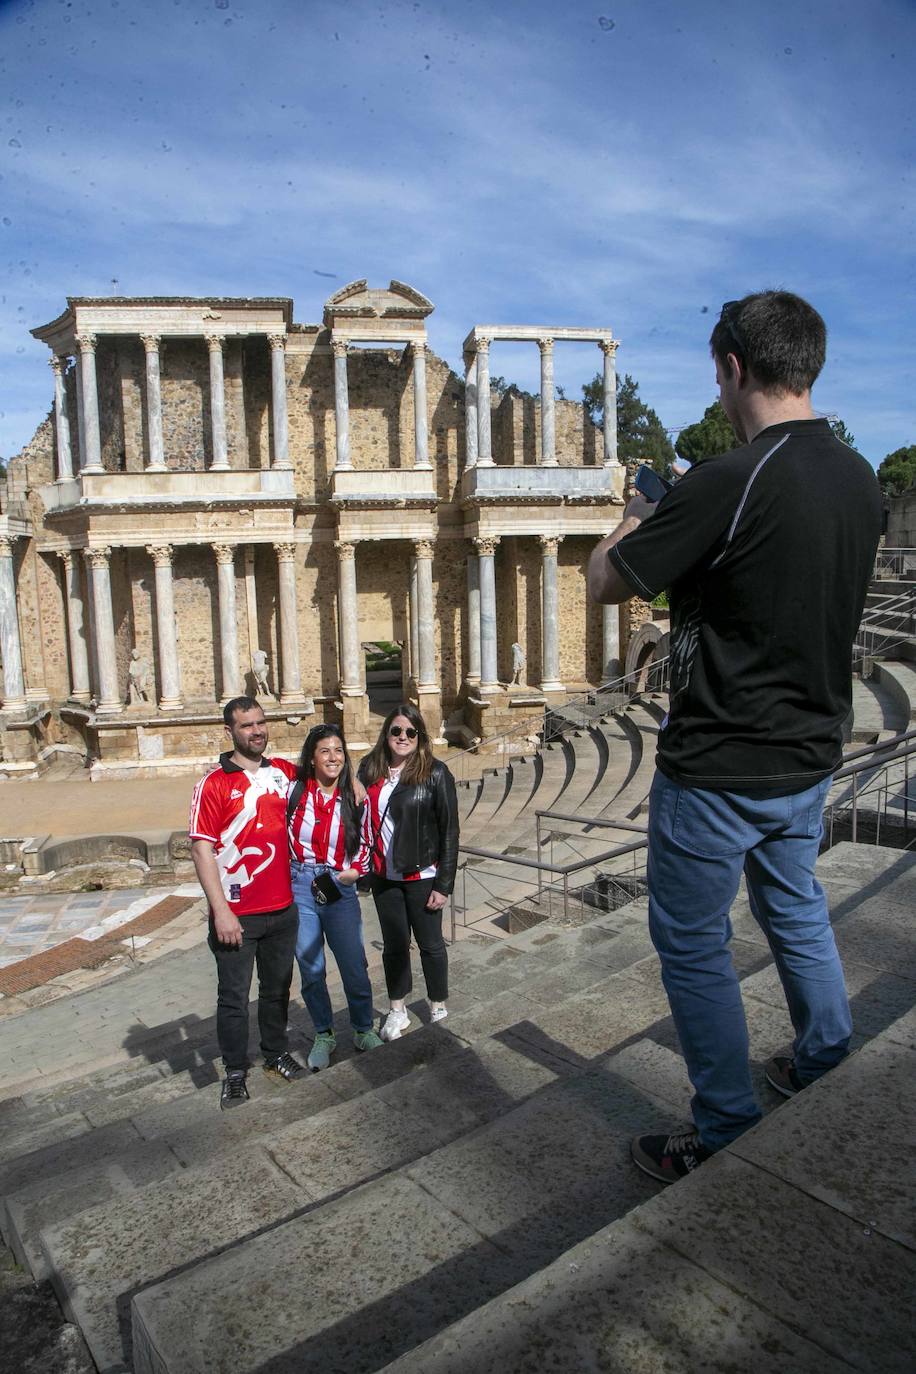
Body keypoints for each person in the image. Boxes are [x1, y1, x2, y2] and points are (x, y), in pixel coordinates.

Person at [587, 290, 882, 1183]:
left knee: (693, 943)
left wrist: (642, 511)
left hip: (719, 763)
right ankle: (825, 1058)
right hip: (809, 754)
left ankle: (722, 1126)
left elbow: (609, 579)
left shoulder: (730, 477)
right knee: (793, 908)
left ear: (732, 367)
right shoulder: (861, 480)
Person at [189, 695, 304, 1109]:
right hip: (237, 915)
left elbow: (333, 780)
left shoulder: (285, 773)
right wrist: (221, 911)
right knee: (233, 998)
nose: (256, 731)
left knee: (276, 990)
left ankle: (275, 1053)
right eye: (246, 726)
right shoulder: (214, 783)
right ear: (230, 732)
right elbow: (202, 849)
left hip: (282, 908)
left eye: (260, 723)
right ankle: (236, 1071)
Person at [359, 703, 459, 1039]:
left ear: (420, 737)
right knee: (394, 946)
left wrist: (443, 884)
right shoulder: (368, 770)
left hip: (422, 876)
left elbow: (449, 831)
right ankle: (397, 1010)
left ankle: (437, 1005)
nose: (403, 737)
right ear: (386, 734)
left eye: (410, 732)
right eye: (396, 731)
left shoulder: (435, 773)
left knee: (430, 945)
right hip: (384, 877)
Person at [288, 724, 384, 1069]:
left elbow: (368, 840)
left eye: (339, 750)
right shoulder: (294, 790)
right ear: (312, 758)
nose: (333, 757)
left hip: (339, 885)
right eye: (325, 751)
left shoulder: (355, 797)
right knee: (311, 968)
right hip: (301, 883)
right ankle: (324, 1033)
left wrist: (355, 873)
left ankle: (362, 1028)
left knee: (353, 964)